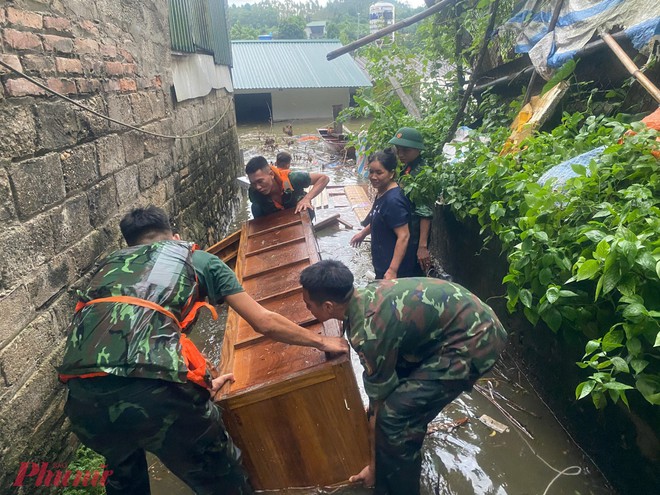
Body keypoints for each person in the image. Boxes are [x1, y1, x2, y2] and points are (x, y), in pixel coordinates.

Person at [57, 206, 348, 495]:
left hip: (83, 402)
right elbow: (264, 322)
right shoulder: (198, 260)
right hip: (156, 395)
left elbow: (139, 337)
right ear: (175, 236)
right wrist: (322, 342)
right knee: (221, 477)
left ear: (129, 246)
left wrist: (201, 381)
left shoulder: (109, 269)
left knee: (125, 477)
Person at [299, 259, 508, 495]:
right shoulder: (366, 294)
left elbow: (380, 406)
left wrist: (373, 467)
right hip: (466, 323)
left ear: (328, 306)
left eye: (308, 305)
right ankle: (404, 451)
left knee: (394, 419)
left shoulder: (368, 334)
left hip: (475, 340)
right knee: (396, 409)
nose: (307, 309)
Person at [349, 149, 417, 279]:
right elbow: (379, 218)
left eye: (379, 173)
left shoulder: (393, 201)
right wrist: (363, 233)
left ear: (391, 174)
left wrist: (392, 270)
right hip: (383, 264)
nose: (373, 177)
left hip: (397, 271)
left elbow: (404, 236)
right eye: (371, 172)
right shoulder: (381, 192)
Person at [388, 127, 434, 274]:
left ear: (417, 150)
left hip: (413, 237)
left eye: (406, 151)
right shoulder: (408, 168)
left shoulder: (421, 173)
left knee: (410, 275)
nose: (400, 154)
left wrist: (422, 246)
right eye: (398, 149)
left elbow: (425, 212)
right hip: (405, 232)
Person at [246, 156, 329, 218]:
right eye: (253, 183)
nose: (258, 187)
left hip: (297, 212)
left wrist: (307, 199)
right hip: (274, 218)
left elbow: (324, 178)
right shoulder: (254, 192)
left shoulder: (292, 178)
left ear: (271, 174)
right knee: (255, 207)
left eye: (260, 181)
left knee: (307, 209)